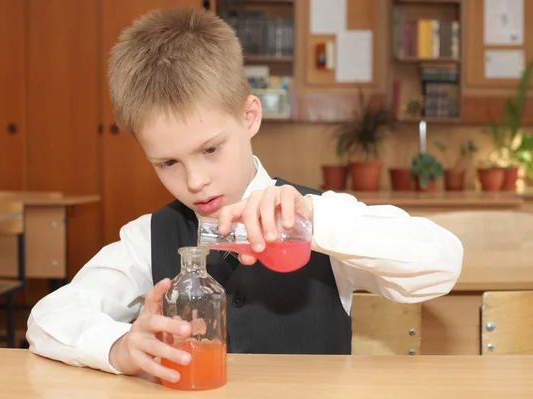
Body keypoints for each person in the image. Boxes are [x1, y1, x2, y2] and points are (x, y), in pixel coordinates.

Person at [26, 6, 463, 384]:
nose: (195, 181)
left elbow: (442, 262)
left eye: (210, 149)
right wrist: (118, 346)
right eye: (168, 163)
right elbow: (49, 317)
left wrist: (315, 221)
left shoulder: (320, 216)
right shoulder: (150, 236)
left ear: (250, 116)